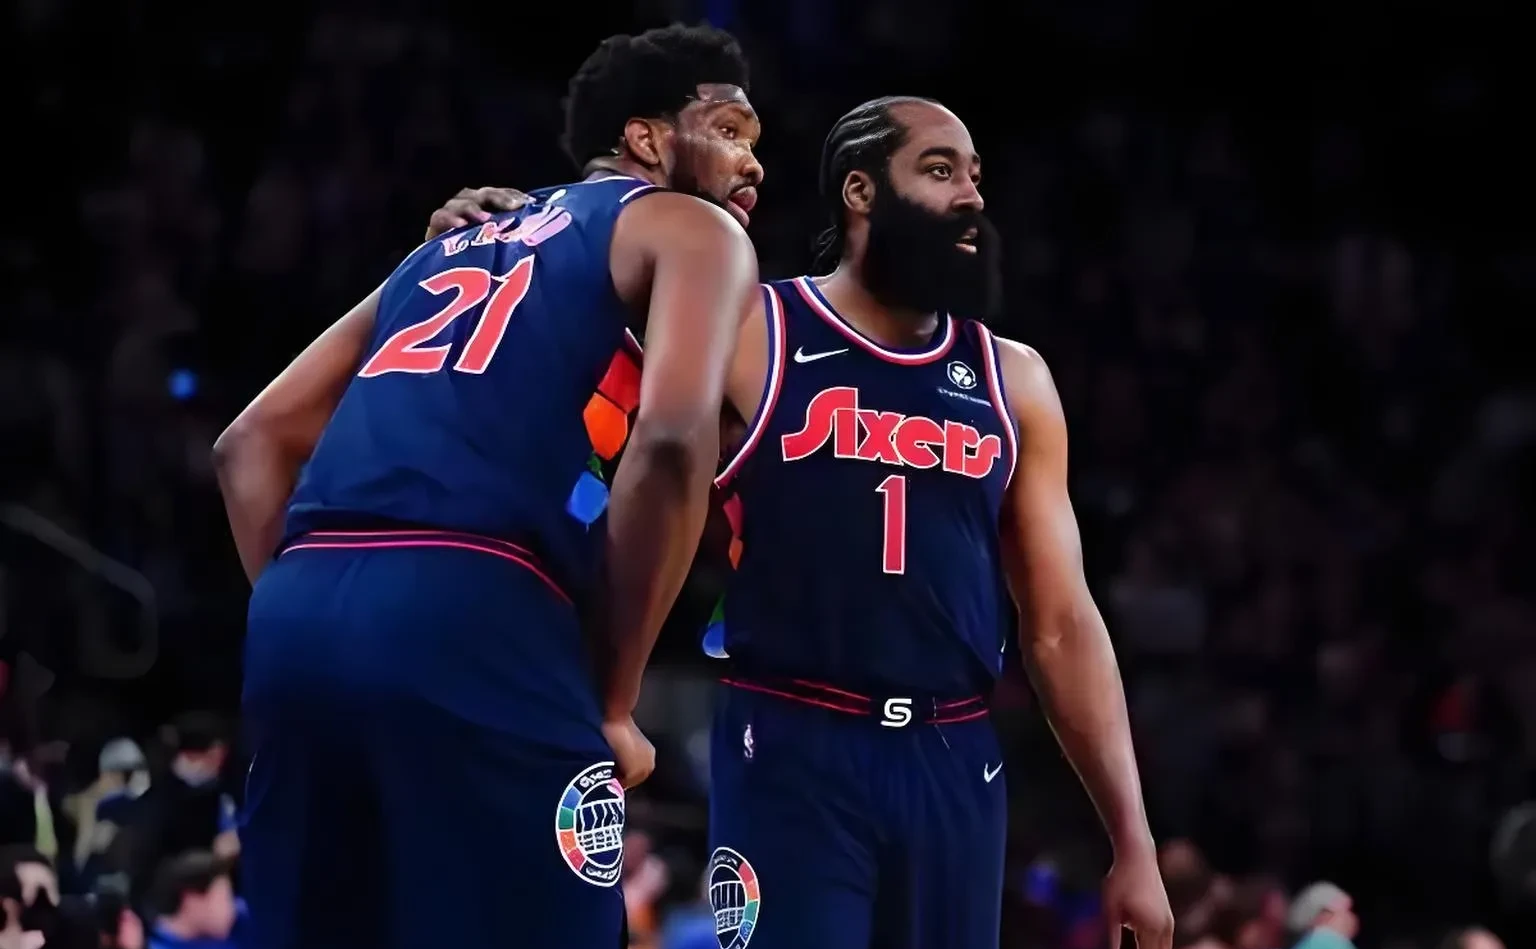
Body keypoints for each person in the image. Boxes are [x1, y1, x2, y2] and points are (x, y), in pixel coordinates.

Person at [435, 96, 1173, 949]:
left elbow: (1062, 625)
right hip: (791, 738)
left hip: (954, 756)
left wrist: (1134, 841)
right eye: (939, 171)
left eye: (975, 176)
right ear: (860, 191)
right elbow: (583, 421)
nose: (971, 196)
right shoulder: (752, 326)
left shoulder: (1015, 379)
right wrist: (491, 242)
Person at [212, 23, 762, 949]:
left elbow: (249, 444)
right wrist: (614, 700)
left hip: (299, 612)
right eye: (731, 131)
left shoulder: (448, 244)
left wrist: (337, 615)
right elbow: (672, 442)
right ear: (646, 138)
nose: (752, 164)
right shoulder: (691, 226)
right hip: (476, 599)